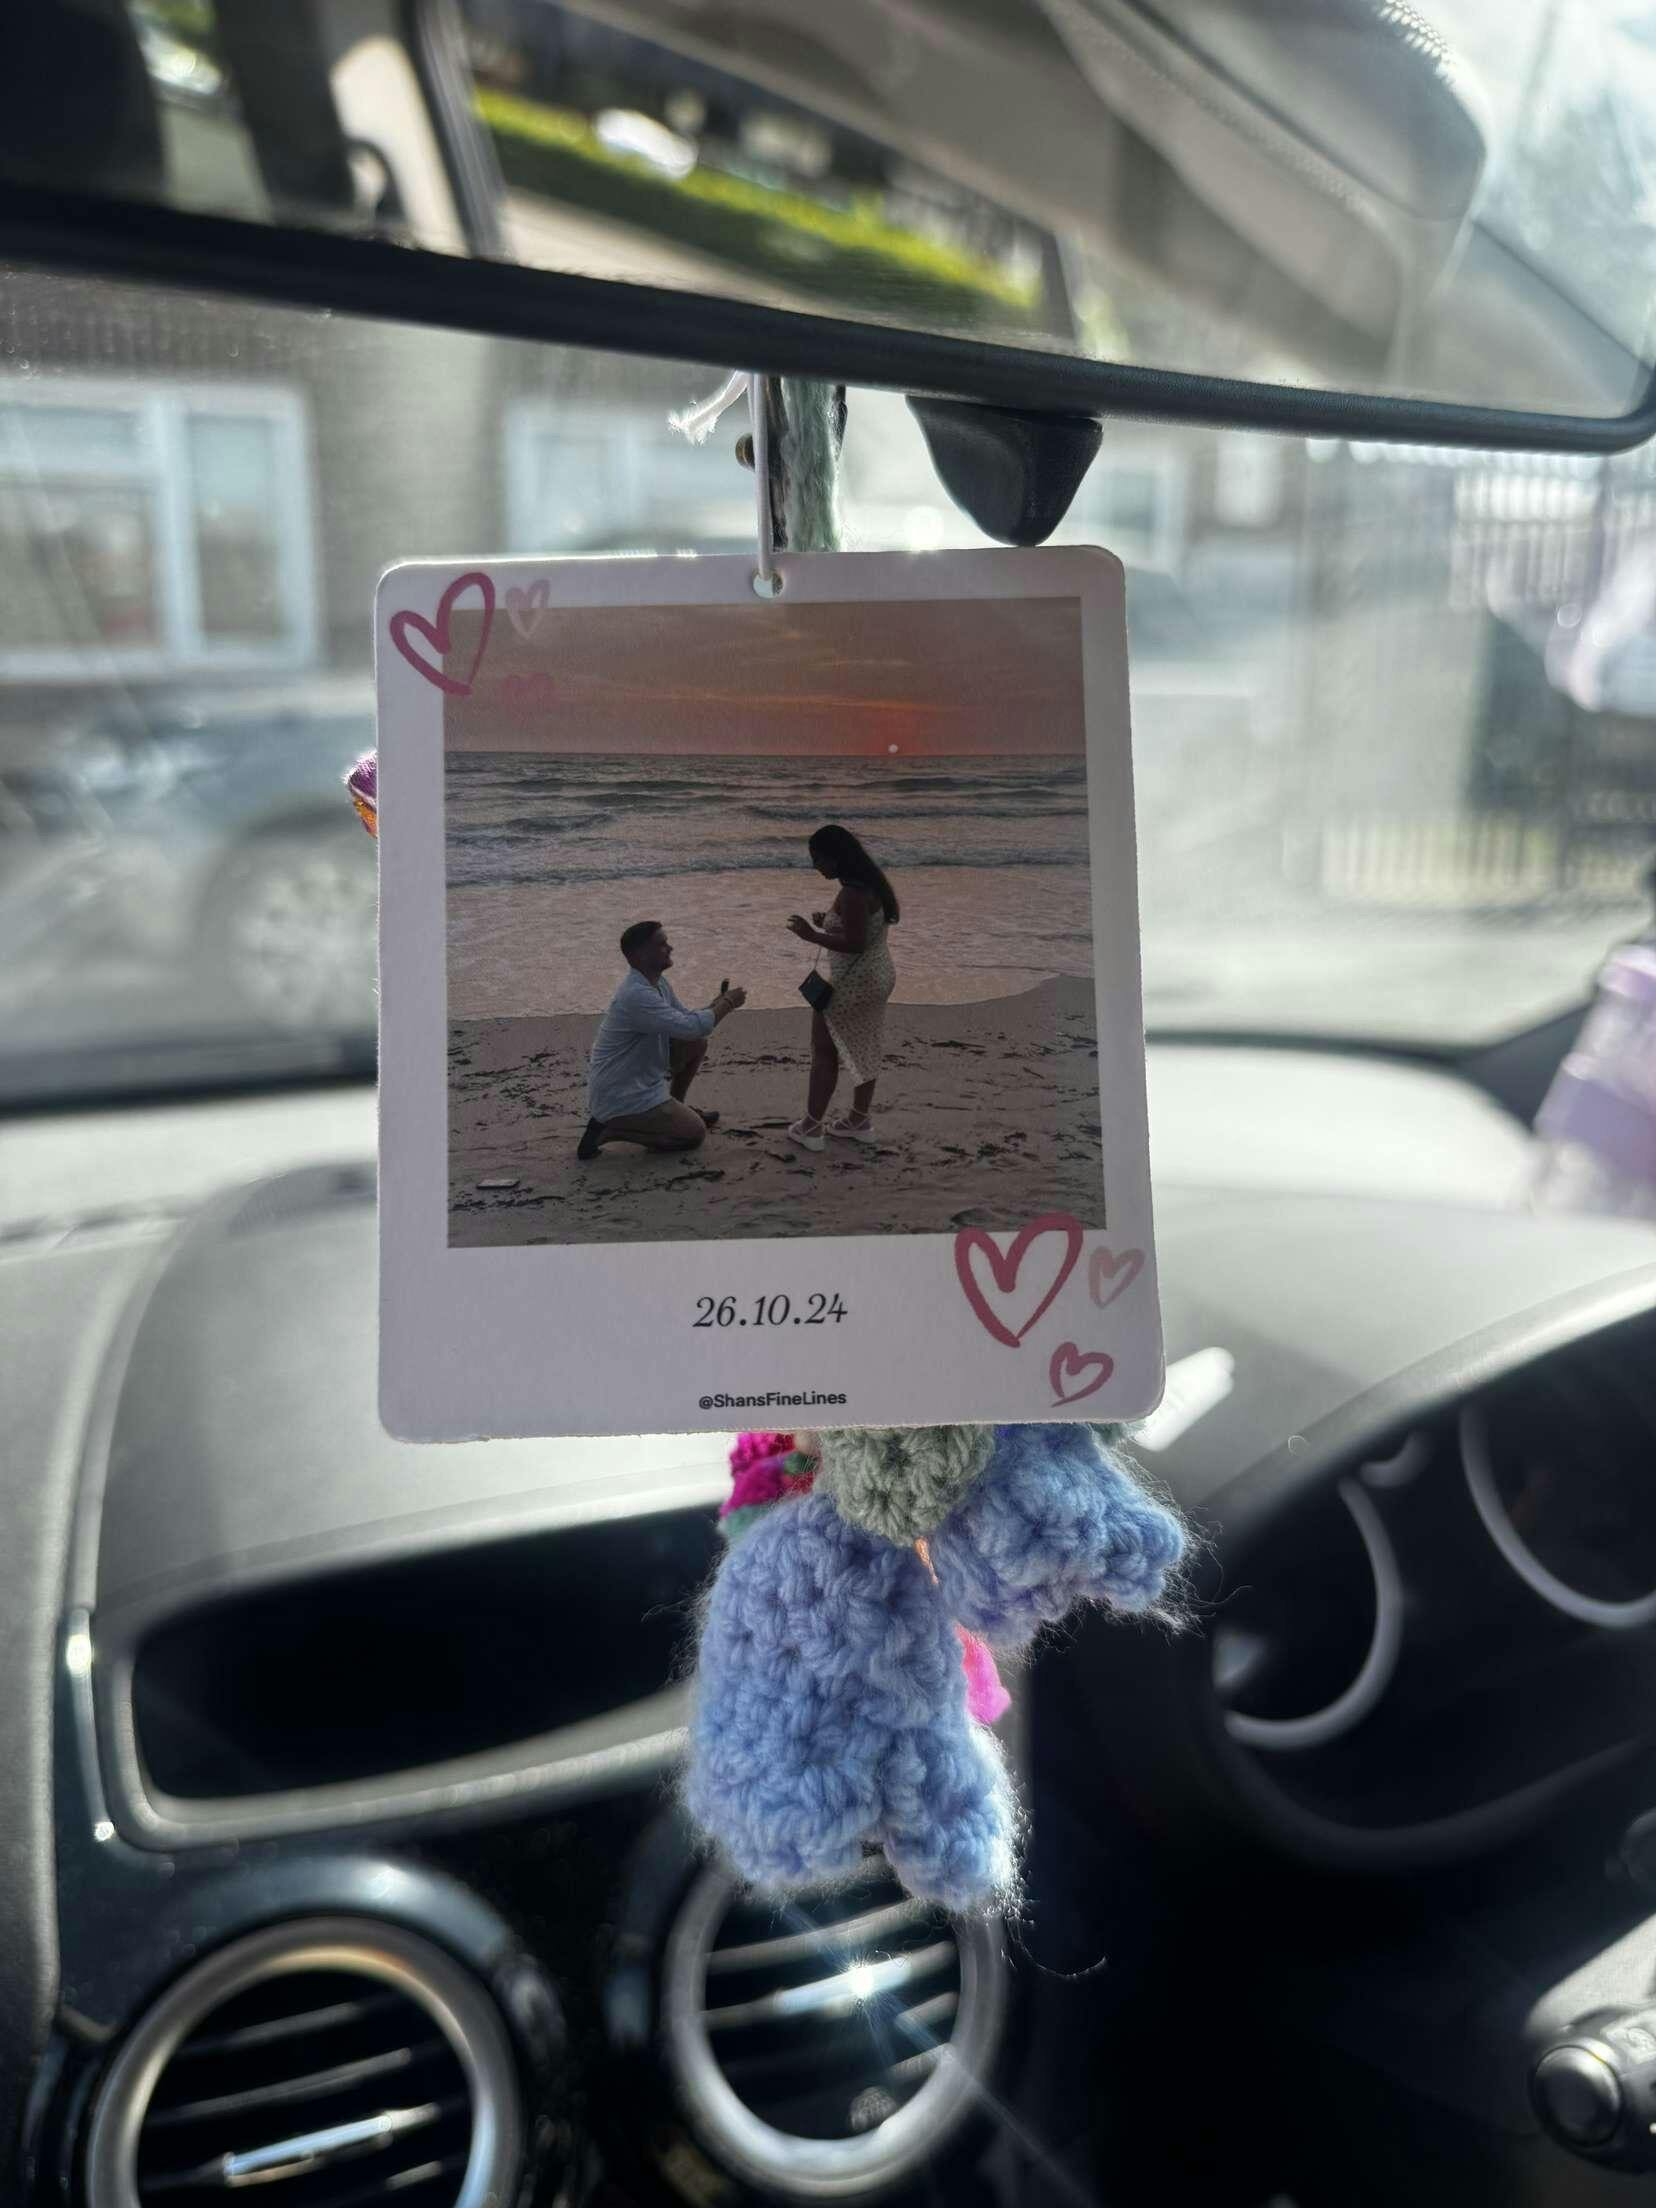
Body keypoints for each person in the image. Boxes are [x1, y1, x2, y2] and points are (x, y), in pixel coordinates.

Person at [578, 920, 745, 1159]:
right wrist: (727, 1003)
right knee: (694, 1134)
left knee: (696, 1044)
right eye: (662, 944)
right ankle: (608, 1130)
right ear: (640, 955)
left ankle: (676, 1106)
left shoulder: (657, 983)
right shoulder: (636, 995)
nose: (670, 948)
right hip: (621, 1096)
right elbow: (692, 1027)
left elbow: (686, 1023)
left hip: (637, 1080)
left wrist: (716, 1003)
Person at [784, 823, 899, 1152]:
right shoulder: (870, 884)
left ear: (836, 857)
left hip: (854, 982)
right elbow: (860, 928)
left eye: (818, 858)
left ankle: (811, 1127)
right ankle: (859, 1121)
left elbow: (855, 942)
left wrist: (812, 935)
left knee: (824, 1052)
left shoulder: (852, 893)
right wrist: (828, 922)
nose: (815, 865)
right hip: (878, 976)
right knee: (866, 1047)